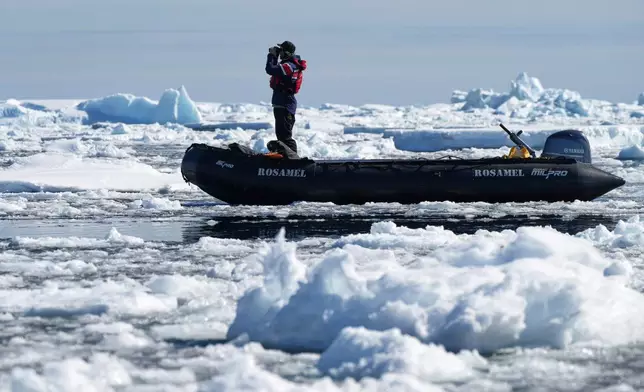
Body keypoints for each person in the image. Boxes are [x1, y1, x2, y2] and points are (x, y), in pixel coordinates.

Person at [265, 40, 307, 156]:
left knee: (285, 137)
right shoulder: (288, 64)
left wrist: (272, 56)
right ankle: (285, 158)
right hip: (282, 103)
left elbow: (270, 69)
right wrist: (275, 56)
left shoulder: (290, 66)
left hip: (285, 104)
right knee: (281, 135)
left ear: (287, 53)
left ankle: (293, 162)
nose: (280, 52)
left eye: (281, 50)